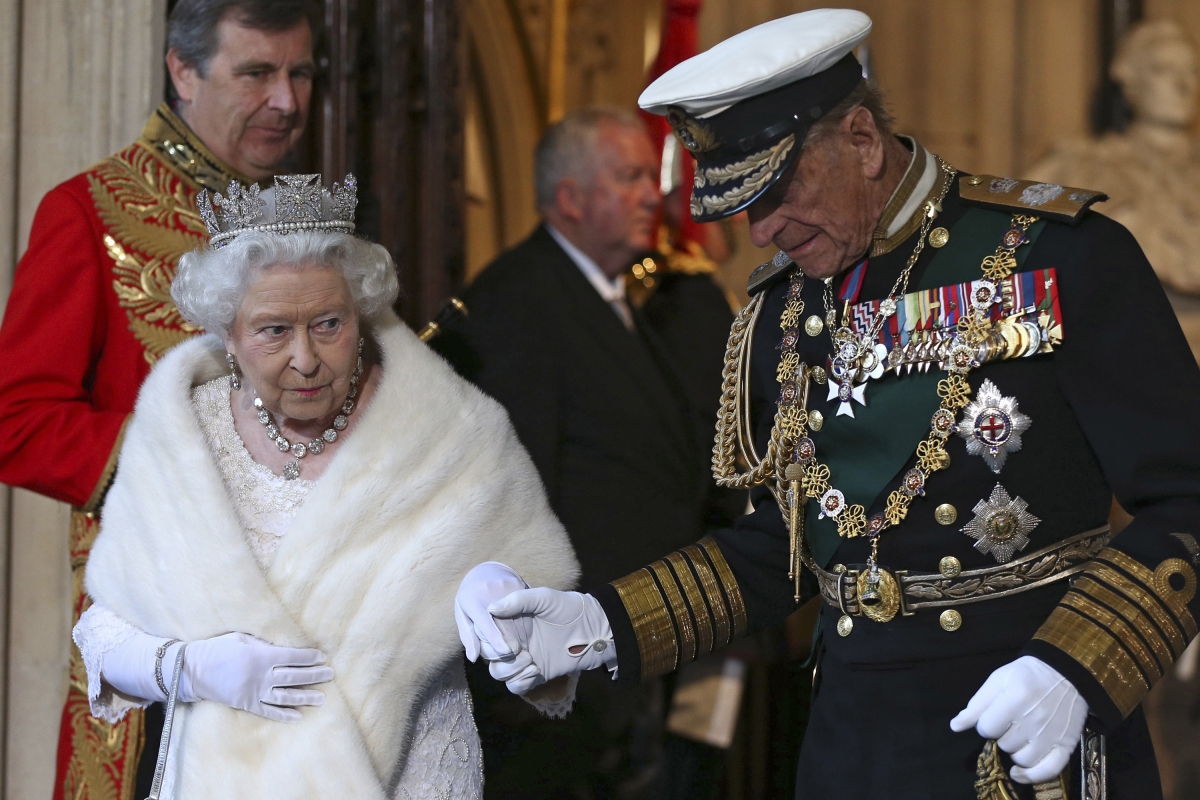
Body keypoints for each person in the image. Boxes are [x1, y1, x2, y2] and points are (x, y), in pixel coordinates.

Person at [455, 9, 1200, 799]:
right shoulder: (787, 307)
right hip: (855, 746)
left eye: (778, 190)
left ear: (862, 140)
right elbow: (790, 543)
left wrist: (1080, 669)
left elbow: (1187, 498)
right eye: (743, 206)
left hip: (1029, 735)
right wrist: (603, 625)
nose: (764, 230)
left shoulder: (1060, 255)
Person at [71, 173, 578, 798]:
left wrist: (504, 591)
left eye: (329, 323)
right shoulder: (184, 439)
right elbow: (104, 632)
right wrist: (193, 668)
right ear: (227, 334)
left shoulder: (447, 430)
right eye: (273, 331)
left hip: (406, 773)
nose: (307, 359)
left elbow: (547, 626)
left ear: (361, 314)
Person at [0, 1, 318, 794]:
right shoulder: (88, 211)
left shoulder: (318, 224)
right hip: (156, 640)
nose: (287, 100)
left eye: (301, 73)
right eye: (257, 73)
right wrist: (189, 458)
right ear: (183, 70)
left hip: (306, 633)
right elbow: (18, 420)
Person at [434, 107, 738, 797]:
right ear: (570, 198)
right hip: (562, 679)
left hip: (631, 648)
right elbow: (512, 498)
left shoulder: (620, 298)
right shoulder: (517, 304)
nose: (653, 196)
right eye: (628, 177)